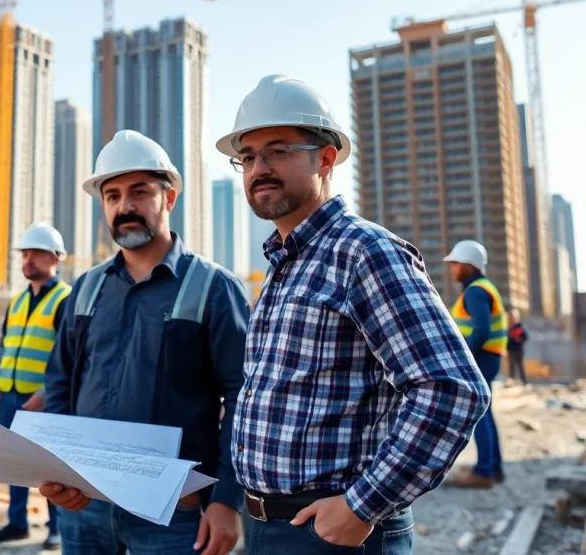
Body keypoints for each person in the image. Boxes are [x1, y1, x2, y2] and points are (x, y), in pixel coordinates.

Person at [214, 75, 490, 553]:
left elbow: (452, 389)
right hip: (266, 525)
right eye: (249, 156)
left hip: (333, 532)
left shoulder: (365, 253)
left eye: (278, 150)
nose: (259, 167)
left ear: (325, 159)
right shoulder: (283, 266)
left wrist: (363, 505)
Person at [39, 130, 251, 555]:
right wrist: (55, 469)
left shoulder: (214, 287)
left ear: (169, 199)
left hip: (176, 513)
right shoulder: (86, 289)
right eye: (112, 196)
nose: (125, 207)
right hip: (86, 508)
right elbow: (61, 384)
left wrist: (227, 500)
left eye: (139, 192)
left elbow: (243, 399)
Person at [0, 223, 70, 551]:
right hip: (9, 395)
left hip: (43, 402)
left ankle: (56, 527)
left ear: (57, 257)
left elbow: (70, 354)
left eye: (36, 253)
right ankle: (17, 523)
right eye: (24, 253)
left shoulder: (65, 299)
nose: (28, 259)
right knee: (13, 465)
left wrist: (48, 393)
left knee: (51, 468)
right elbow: (3, 345)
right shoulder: (17, 301)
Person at [445, 240, 508, 488]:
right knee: (486, 413)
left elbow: (481, 330)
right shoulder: (482, 288)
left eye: (456, 264)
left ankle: (483, 472)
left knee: (479, 414)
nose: (452, 269)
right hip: (488, 357)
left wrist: (463, 357)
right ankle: (494, 468)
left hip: (481, 357)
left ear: (469, 265)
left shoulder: (476, 292)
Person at [506, 309, 529, 385]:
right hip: (510, 349)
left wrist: (518, 339)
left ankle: (524, 381)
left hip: (518, 350)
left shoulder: (520, 327)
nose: (511, 318)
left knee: (520, 366)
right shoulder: (508, 328)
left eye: (513, 317)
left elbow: (525, 337)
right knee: (511, 367)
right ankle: (511, 381)